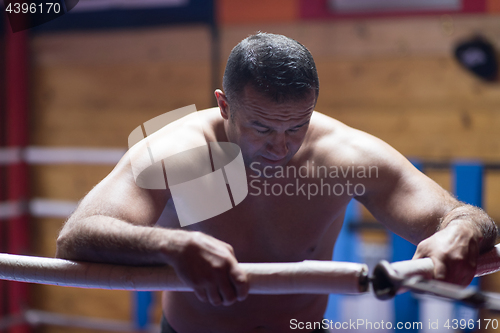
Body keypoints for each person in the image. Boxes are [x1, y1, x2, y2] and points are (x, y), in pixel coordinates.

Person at [56, 33, 497, 333]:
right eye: (263, 128)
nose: (281, 146)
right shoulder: (176, 149)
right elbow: (76, 237)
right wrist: (172, 247)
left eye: (296, 126)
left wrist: (461, 232)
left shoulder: (345, 154)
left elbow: (458, 216)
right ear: (224, 105)